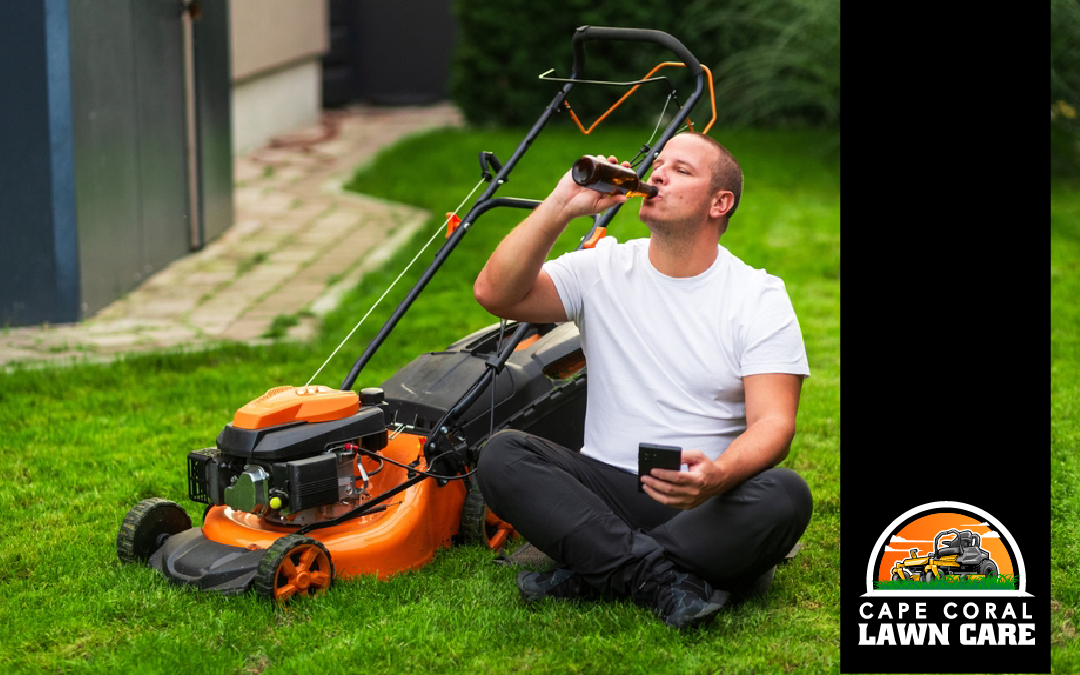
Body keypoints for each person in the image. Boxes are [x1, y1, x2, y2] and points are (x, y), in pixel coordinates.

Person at [472, 131, 813, 630]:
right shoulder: (603, 267)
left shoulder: (758, 296)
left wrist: (716, 477)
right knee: (502, 455)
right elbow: (495, 294)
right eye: (659, 164)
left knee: (786, 495)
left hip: (700, 497)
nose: (658, 174)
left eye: (681, 170)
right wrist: (561, 205)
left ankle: (595, 568)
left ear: (720, 203)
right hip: (602, 489)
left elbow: (774, 424)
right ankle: (659, 576)